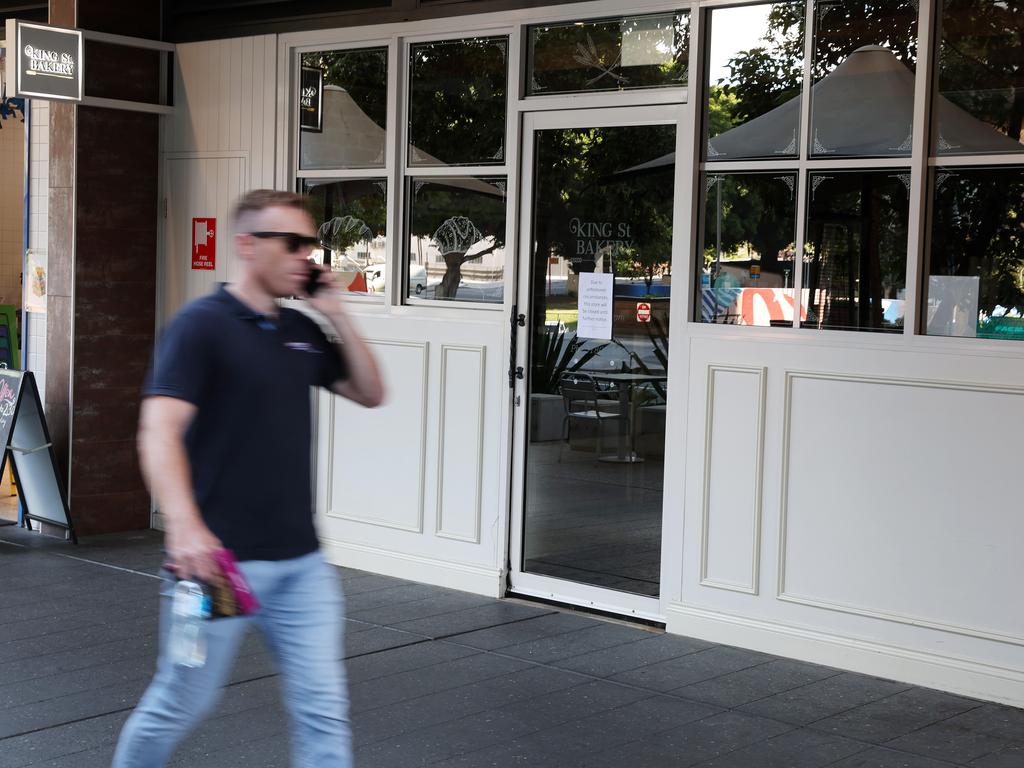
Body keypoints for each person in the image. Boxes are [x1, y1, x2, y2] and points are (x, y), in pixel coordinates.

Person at [111, 189, 384, 768]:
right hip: (218, 566)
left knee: (323, 708)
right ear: (246, 245)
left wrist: (336, 311)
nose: (305, 256)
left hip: (301, 565)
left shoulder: (300, 330)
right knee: (182, 702)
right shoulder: (200, 328)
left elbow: (370, 391)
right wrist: (184, 527)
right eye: (291, 243)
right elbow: (157, 432)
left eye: (310, 244)